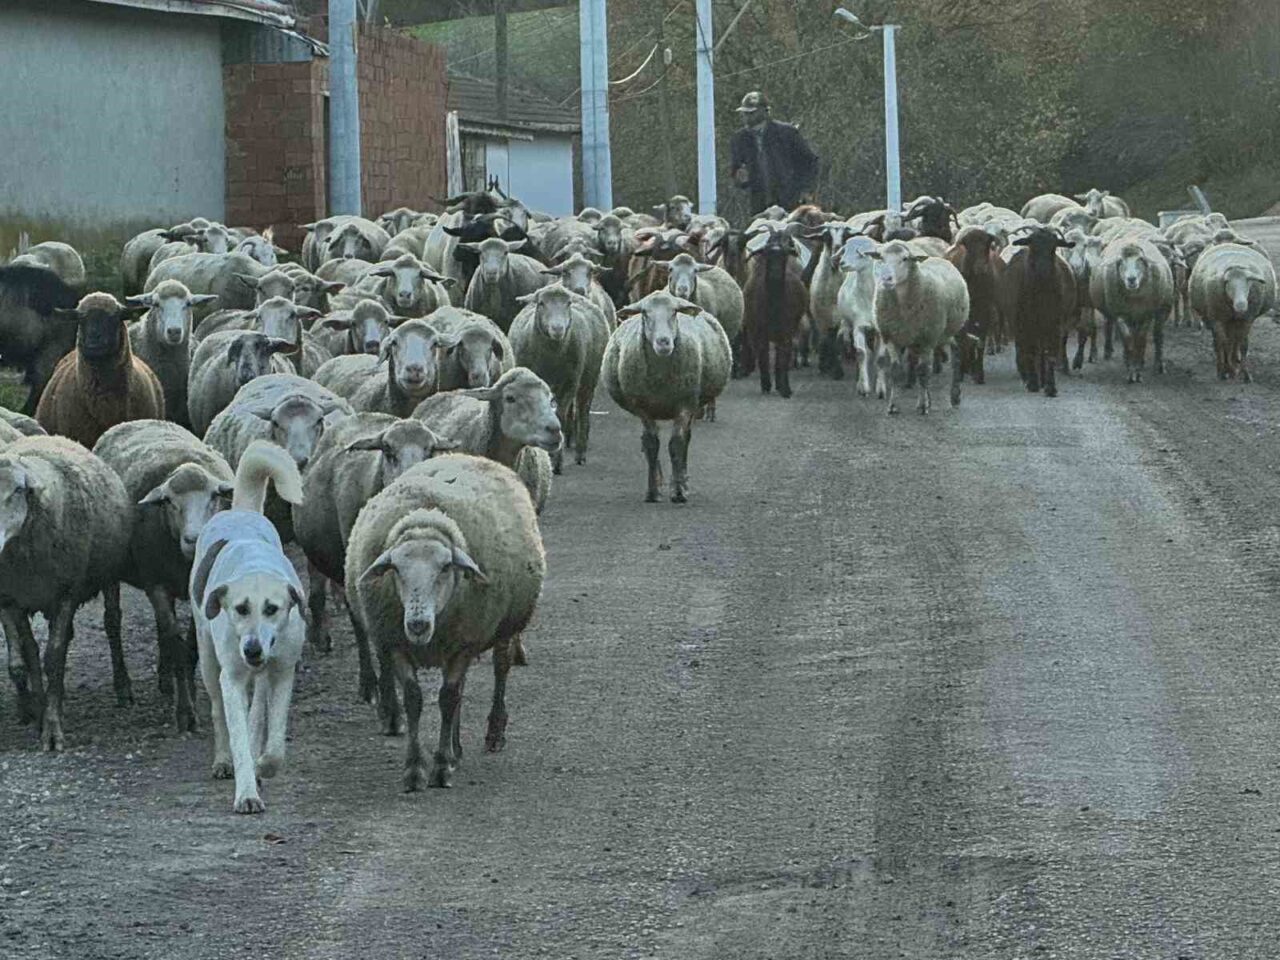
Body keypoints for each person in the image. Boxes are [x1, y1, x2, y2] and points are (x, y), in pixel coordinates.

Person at [729, 91, 819, 214]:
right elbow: (737, 171)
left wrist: (805, 189)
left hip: (791, 200)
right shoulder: (739, 139)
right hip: (759, 203)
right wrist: (740, 179)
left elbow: (809, 162)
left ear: (765, 112)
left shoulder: (787, 133)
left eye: (752, 113)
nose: (747, 117)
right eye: (745, 113)